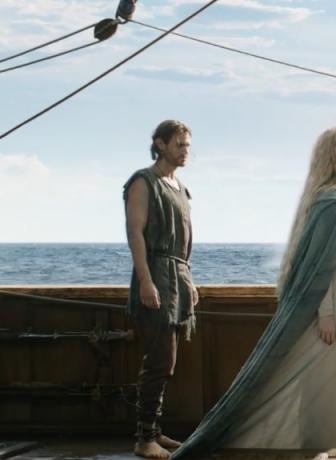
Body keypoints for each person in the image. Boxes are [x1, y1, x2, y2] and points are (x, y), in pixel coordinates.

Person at [172, 126, 336, 458]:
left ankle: (329, 451)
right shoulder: (332, 203)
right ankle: (318, 452)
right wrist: (326, 312)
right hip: (335, 318)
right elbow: (318, 267)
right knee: (326, 393)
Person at [124, 119, 197, 459]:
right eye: (179, 144)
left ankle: (154, 432)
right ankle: (144, 438)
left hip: (177, 278)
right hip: (155, 274)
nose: (185, 151)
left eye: (188, 145)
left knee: (167, 362)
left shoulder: (179, 187)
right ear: (160, 144)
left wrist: (189, 281)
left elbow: (184, 242)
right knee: (159, 361)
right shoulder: (144, 182)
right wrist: (146, 280)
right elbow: (135, 233)